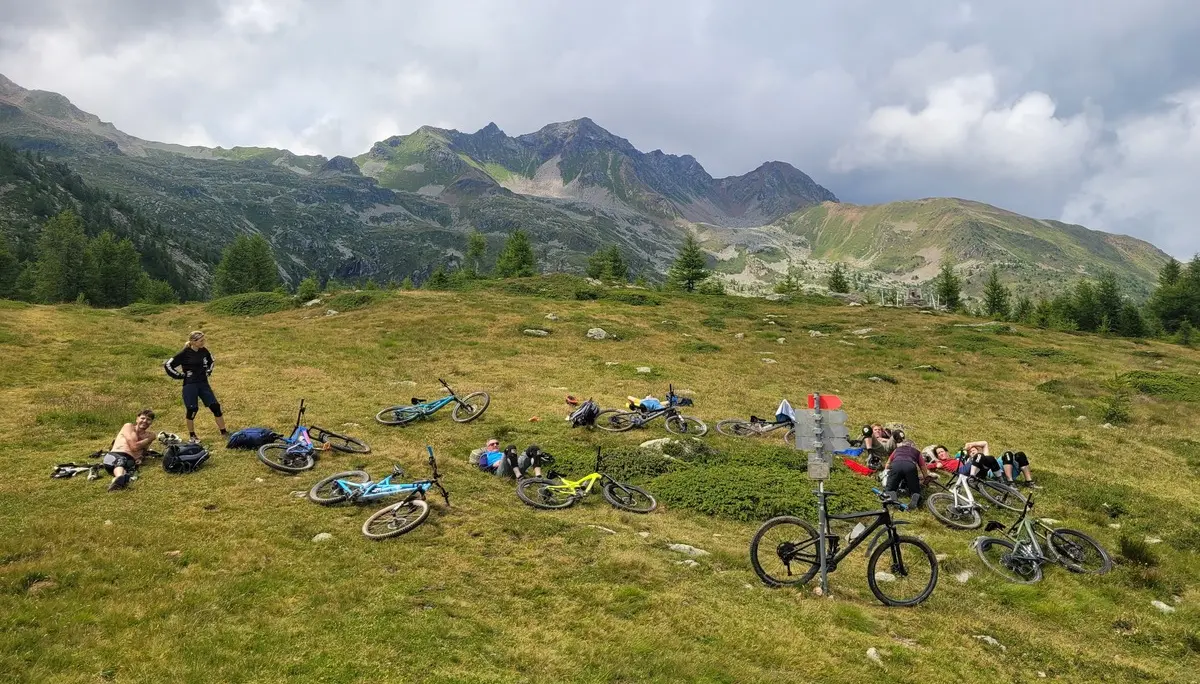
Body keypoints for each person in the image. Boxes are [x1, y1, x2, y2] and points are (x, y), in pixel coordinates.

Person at [163, 331, 227, 443]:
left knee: (215, 407)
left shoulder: (204, 351)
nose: (203, 342)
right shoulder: (184, 353)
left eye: (204, 340)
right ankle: (192, 436)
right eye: (201, 340)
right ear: (193, 341)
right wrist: (180, 375)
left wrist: (208, 370)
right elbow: (168, 364)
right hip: (190, 385)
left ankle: (224, 432)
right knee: (192, 409)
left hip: (203, 383)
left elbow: (211, 360)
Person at [103, 409, 157, 491]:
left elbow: (144, 450)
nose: (145, 421)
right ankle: (119, 478)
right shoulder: (128, 426)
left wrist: (141, 458)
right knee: (121, 461)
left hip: (130, 461)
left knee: (126, 465)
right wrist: (149, 439)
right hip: (115, 456)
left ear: (151, 422)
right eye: (142, 418)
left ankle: (120, 481)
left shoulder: (149, 435)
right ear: (137, 419)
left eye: (148, 419)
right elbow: (134, 447)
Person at [884, 437, 931, 509]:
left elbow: (887, 465)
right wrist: (926, 476)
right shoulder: (917, 452)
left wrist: (892, 471)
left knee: (890, 488)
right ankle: (915, 496)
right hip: (910, 466)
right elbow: (922, 466)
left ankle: (892, 496)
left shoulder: (897, 450)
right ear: (913, 445)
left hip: (896, 464)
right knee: (914, 488)